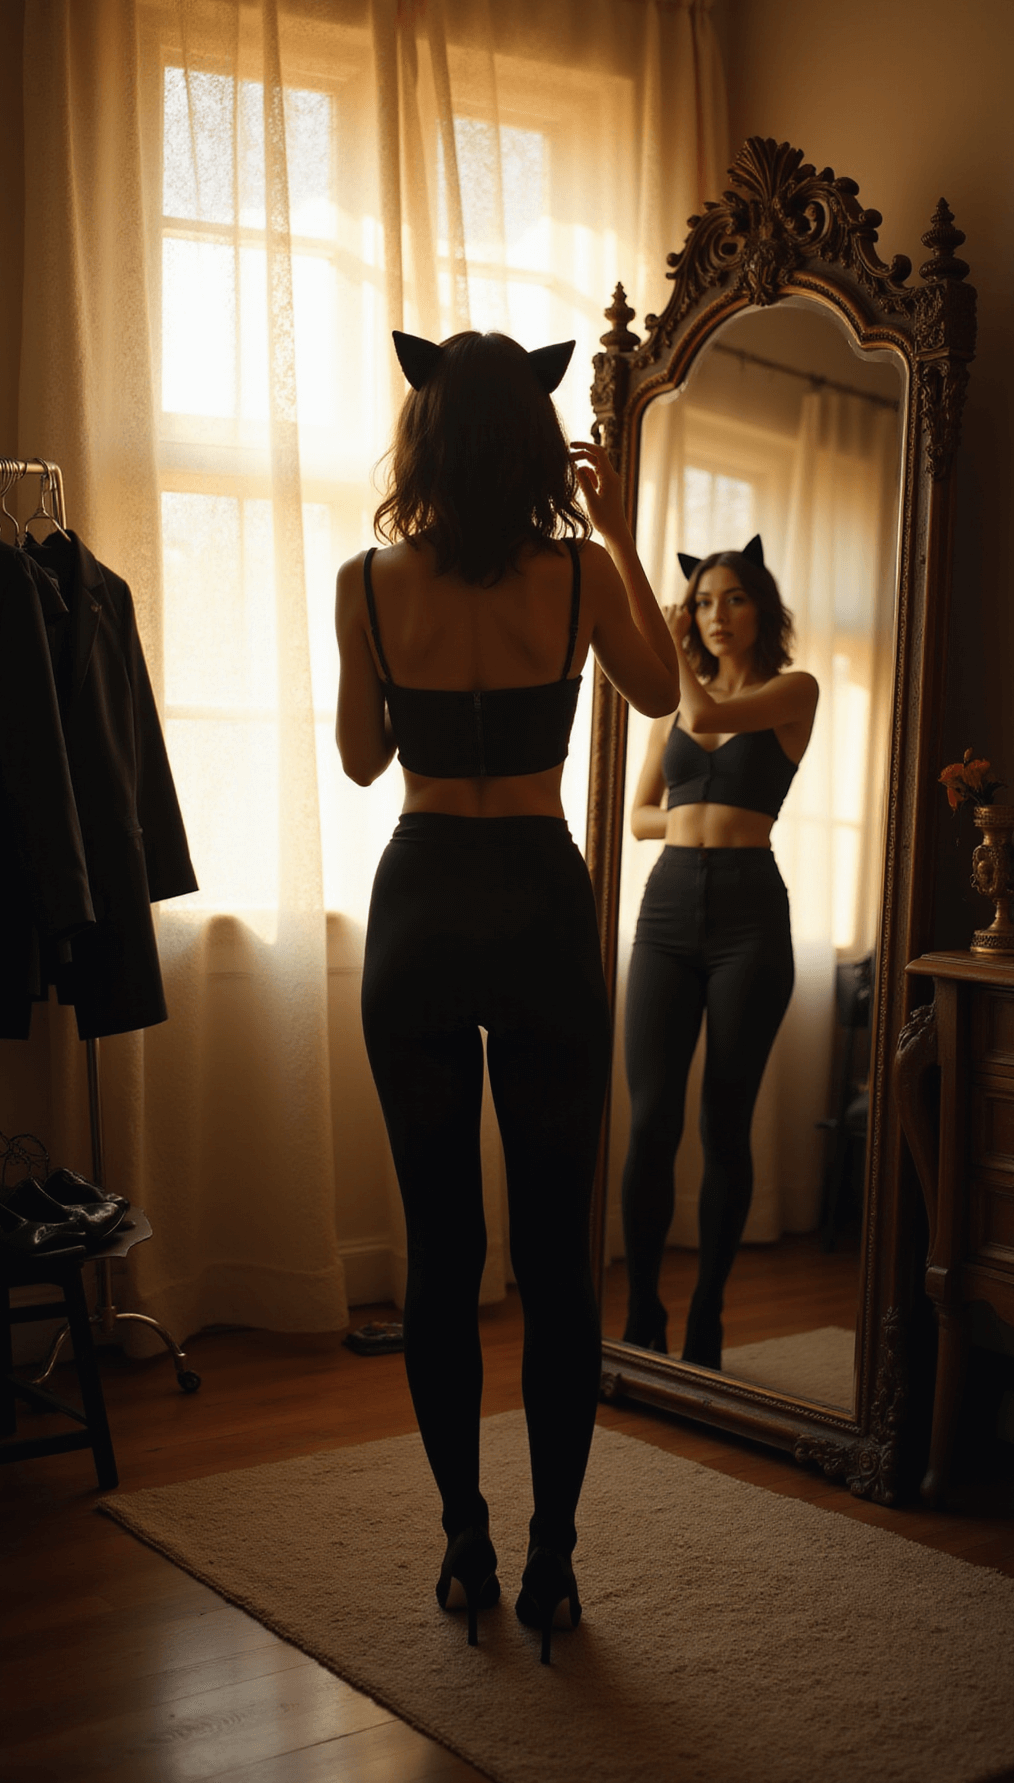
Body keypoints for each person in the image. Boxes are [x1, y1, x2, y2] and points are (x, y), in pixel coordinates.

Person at [335, 328, 678, 1664]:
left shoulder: (367, 581)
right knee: (551, 1258)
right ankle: (553, 1565)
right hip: (538, 904)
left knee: (441, 1254)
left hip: (421, 908)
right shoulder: (582, 573)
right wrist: (617, 534)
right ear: (539, 443)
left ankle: (464, 1541)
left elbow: (367, 764)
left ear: (423, 438)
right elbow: (661, 689)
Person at [621, 537, 818, 1369]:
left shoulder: (791, 692)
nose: (714, 616)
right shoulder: (673, 704)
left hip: (748, 917)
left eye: (732, 598)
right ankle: (640, 1317)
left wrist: (666, 647)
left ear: (761, 608)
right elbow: (640, 817)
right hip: (667, 908)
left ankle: (707, 1315)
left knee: (723, 1124)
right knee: (650, 1123)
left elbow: (704, 719)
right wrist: (699, 820)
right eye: (702, 602)